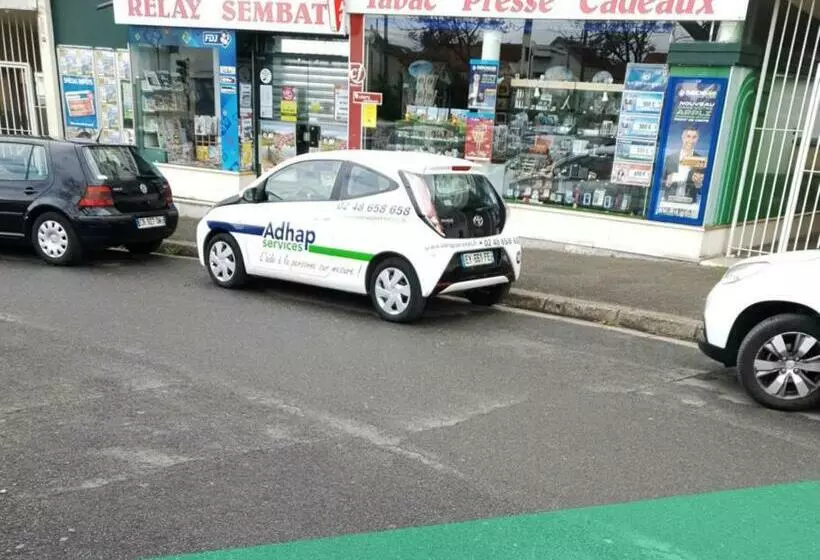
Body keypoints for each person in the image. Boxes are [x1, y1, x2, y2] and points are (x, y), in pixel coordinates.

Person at [663, 126, 705, 201]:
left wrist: (698, 183)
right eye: (688, 136)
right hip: (670, 200)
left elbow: (700, 188)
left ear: (697, 140)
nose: (691, 140)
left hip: (690, 202)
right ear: (683, 138)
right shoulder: (672, 158)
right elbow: (667, 182)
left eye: (694, 137)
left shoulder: (700, 160)